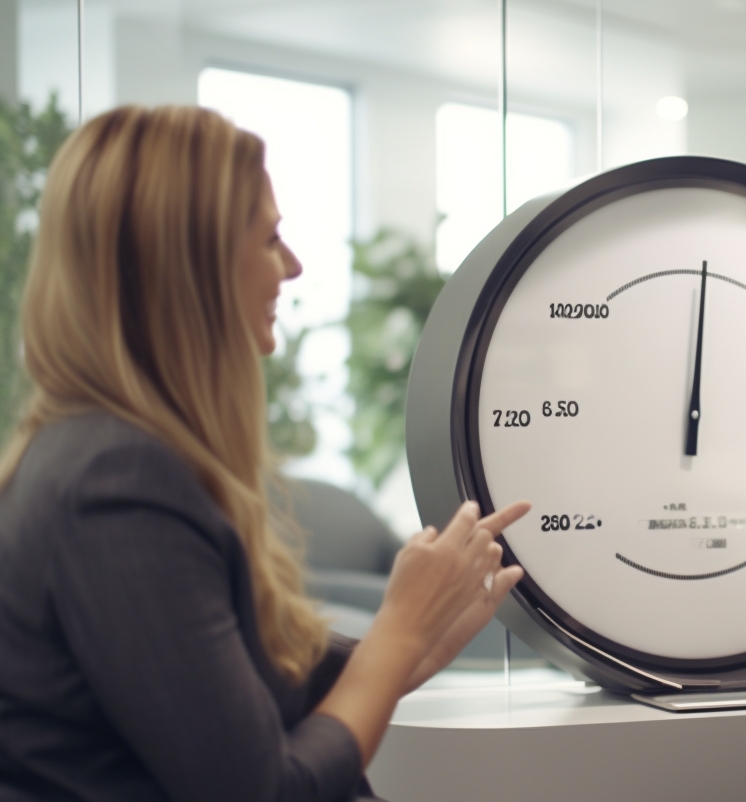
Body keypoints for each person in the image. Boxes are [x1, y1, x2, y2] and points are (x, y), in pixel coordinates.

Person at [0, 105, 529, 801]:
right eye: (271, 237)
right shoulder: (116, 484)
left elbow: (217, 690)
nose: (293, 265)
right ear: (192, 266)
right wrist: (397, 630)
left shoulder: (96, 457)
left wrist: (412, 642)